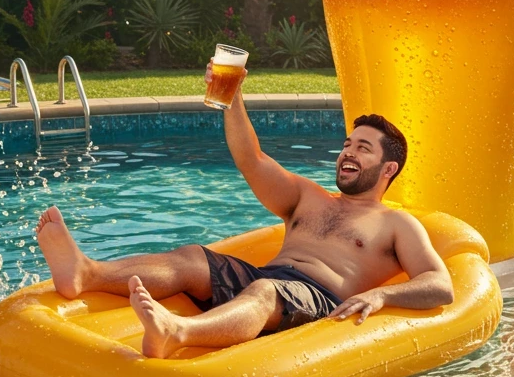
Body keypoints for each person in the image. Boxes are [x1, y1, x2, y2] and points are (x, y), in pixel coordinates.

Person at [34, 61, 454, 359]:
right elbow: (252, 160)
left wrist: (380, 294)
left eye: (363, 148)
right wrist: (232, 97)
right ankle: (87, 273)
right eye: (347, 144)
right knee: (193, 258)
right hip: (267, 279)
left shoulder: (396, 223)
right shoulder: (309, 196)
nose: (348, 152)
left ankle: (178, 332)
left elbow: (440, 284)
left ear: (388, 168)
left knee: (266, 292)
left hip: (317, 301)